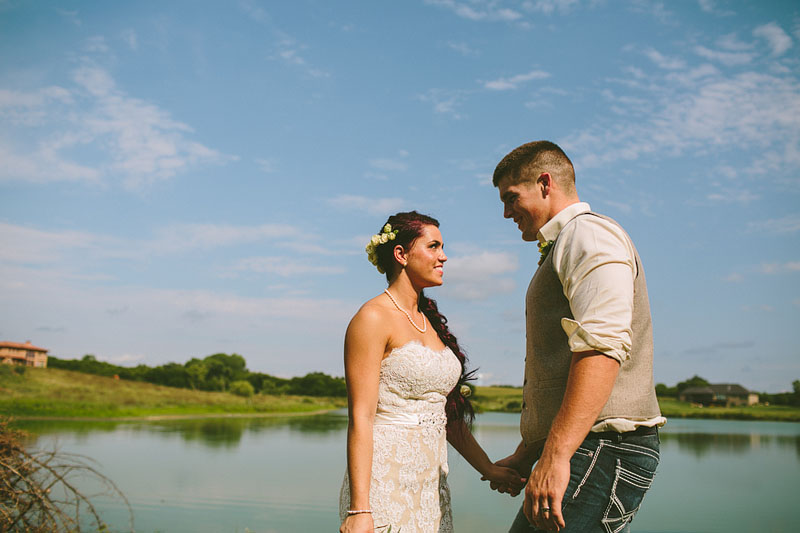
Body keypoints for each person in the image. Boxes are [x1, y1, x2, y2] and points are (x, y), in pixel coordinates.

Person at [488, 141, 665, 532]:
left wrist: (555, 455)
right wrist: (527, 453)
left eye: (511, 197)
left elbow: (601, 348)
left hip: (603, 448)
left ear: (545, 183)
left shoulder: (589, 235)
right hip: (589, 448)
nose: (505, 213)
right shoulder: (567, 241)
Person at [339, 211, 524, 533]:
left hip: (431, 485)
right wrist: (360, 509)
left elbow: (445, 414)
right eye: (433, 246)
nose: (444, 256)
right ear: (401, 254)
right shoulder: (372, 318)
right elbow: (361, 417)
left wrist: (488, 468)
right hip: (383, 483)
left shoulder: (430, 322)